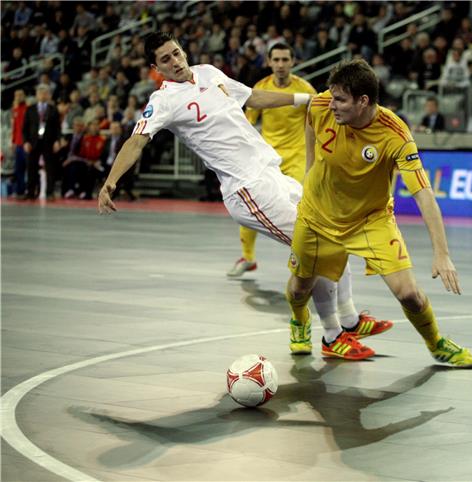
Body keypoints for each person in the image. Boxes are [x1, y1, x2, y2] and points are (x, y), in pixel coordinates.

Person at [98, 32, 392, 360]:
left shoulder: (209, 72)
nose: (176, 62)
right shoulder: (163, 101)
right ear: (156, 67)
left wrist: (302, 99)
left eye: (177, 53)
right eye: (165, 60)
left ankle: (349, 321)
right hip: (248, 190)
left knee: (333, 232)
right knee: (321, 246)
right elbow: (136, 141)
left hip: (272, 174)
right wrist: (111, 181)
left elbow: (252, 97)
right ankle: (333, 337)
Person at [285, 59, 472, 367]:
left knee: (409, 294)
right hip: (317, 215)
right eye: (332, 96)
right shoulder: (321, 105)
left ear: (363, 101)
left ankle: (436, 343)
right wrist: (309, 169)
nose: (331, 104)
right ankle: (299, 321)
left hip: (370, 219)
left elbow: (424, 194)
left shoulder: (394, 134)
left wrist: (442, 253)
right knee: (299, 288)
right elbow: (310, 121)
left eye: (340, 100)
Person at [227, 43, 316, 278]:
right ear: (268, 62)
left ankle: (302, 258)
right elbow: (245, 122)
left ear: (293, 62)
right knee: (252, 207)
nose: (280, 65)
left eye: (285, 60)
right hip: (267, 161)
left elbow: (317, 123)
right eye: (275, 60)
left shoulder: (305, 89)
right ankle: (248, 258)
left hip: (297, 159)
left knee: (301, 210)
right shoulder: (260, 88)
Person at [22, 84, 61, 200]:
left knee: (50, 167)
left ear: (49, 95)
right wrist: (26, 142)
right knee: (31, 167)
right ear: (37, 95)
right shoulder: (30, 109)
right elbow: (25, 128)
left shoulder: (53, 109)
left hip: (48, 141)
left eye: (45, 93)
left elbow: (57, 127)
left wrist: (57, 141)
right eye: (41, 93)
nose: (43, 95)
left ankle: (49, 192)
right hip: (33, 141)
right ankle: (30, 192)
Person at [11, 89, 27, 199]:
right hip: (18, 143)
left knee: (29, 168)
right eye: (16, 95)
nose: (18, 97)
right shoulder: (15, 109)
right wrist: (13, 141)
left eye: (20, 95)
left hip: (27, 143)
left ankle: (30, 190)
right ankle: (19, 191)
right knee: (18, 169)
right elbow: (14, 127)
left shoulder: (28, 109)